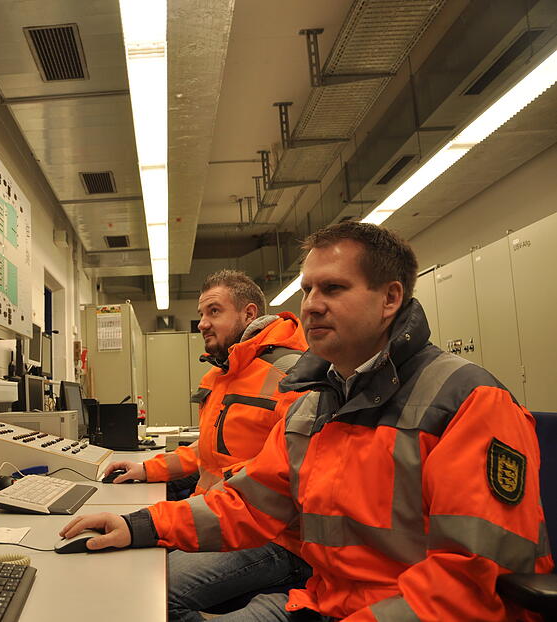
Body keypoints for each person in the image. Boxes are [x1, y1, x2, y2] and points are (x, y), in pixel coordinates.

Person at [64, 222, 552, 621]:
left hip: (397, 611)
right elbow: (248, 505)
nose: (311, 304)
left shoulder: (467, 402)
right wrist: (139, 525)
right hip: (320, 601)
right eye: (308, 289)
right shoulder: (314, 404)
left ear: (390, 299)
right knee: (138, 605)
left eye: (334, 288)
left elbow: (471, 585)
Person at [102, 270, 312, 620]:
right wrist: (146, 469)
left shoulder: (294, 376)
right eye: (201, 314)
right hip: (215, 515)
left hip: (273, 536)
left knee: (150, 594)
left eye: (214, 311)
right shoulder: (221, 374)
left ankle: (276, 606)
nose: (201, 323)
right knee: (136, 569)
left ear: (248, 314)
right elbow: (209, 450)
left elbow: (283, 482)